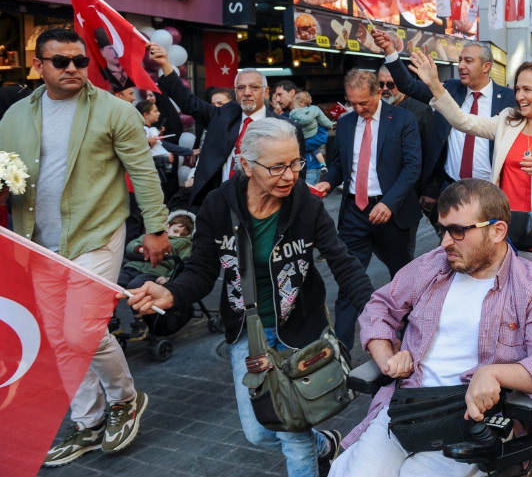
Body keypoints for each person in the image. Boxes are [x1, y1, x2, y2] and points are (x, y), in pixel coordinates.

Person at [124, 119, 374, 477]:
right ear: (246, 166)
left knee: (293, 432)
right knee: (259, 432)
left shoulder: (307, 205)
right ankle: (324, 444)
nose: (290, 175)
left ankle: (309, 447)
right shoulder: (217, 206)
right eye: (277, 167)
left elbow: (343, 264)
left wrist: (378, 315)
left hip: (300, 330)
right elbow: (201, 272)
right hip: (248, 333)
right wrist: (171, 293)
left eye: (296, 162)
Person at [0, 28, 170, 466]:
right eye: (61, 61)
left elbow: (144, 172)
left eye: (79, 60)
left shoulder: (114, 110)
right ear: (38, 66)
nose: (73, 68)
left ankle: (124, 400)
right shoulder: (16, 115)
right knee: (59, 339)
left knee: (83, 332)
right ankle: (88, 421)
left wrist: (156, 228)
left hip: (97, 233)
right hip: (39, 241)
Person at [329, 179, 532, 477]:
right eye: (444, 229)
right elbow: (379, 307)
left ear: (497, 231)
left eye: (458, 230)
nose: (446, 241)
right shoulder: (433, 266)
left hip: (471, 418)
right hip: (408, 405)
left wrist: (494, 373)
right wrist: (388, 359)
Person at [408, 52, 532, 250]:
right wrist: (435, 85)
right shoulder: (508, 120)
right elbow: (464, 121)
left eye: (527, 90)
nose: (519, 96)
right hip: (500, 226)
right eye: (518, 89)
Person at [313, 70, 422, 350]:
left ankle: (409, 343)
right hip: (354, 212)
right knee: (348, 283)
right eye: (353, 103)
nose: (359, 109)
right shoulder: (347, 122)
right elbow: (339, 164)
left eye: (364, 103)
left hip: (390, 213)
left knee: (403, 281)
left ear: (378, 93)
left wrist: (389, 203)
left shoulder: (402, 119)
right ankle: (342, 353)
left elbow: (412, 168)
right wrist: (327, 182)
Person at [148, 43, 304, 209]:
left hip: (266, 205)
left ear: (266, 92)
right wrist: (165, 64)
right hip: (221, 203)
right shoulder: (221, 115)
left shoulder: (285, 127)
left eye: (254, 87)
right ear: (235, 92)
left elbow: (296, 173)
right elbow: (189, 103)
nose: (247, 93)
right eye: (241, 88)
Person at [373, 31, 516, 202]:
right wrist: (389, 49)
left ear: (486, 66)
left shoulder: (509, 98)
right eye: (460, 60)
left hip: (491, 191)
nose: (461, 66)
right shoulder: (450, 89)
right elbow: (408, 85)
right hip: (450, 186)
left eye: (468, 61)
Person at [379, 64, 437, 238]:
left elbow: (432, 152)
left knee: (404, 245)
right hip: (382, 190)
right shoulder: (376, 110)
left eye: (390, 84)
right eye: (380, 84)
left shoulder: (421, 109)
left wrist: (430, 191)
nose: (384, 89)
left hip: (413, 191)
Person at [115, 214, 194, 339]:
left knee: (135, 287)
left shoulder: (184, 244)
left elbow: (182, 263)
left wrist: (168, 277)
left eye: (183, 235)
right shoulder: (155, 236)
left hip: (154, 272)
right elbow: (131, 245)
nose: (178, 236)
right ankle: (112, 319)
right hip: (132, 267)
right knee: (112, 283)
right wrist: (142, 249)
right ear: (167, 227)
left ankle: (139, 322)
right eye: (176, 231)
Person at [288, 90, 333, 180]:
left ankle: (322, 165)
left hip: (309, 167)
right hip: (304, 165)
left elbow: (322, 138)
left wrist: (300, 144)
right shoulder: (315, 112)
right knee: (316, 150)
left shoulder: (292, 115)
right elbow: (324, 122)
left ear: (299, 103)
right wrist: (330, 125)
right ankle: (323, 164)